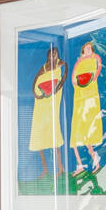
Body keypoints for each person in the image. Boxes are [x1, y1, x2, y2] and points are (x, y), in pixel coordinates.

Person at [67, 40, 106, 173]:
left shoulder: (96, 57)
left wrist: (93, 77)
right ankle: (80, 165)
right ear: (83, 50)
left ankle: (96, 162)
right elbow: (73, 77)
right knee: (76, 132)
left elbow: (98, 68)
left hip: (90, 96)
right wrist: (75, 83)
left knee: (87, 132)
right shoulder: (79, 61)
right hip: (79, 97)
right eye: (86, 48)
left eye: (90, 48)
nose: (88, 49)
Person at [28, 45, 65, 178]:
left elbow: (63, 77)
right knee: (40, 134)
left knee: (54, 133)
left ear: (58, 54)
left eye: (54, 53)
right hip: (41, 101)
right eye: (50, 54)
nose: (52, 56)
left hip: (53, 100)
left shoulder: (62, 64)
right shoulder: (43, 68)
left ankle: (60, 168)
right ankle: (45, 169)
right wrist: (36, 94)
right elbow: (34, 82)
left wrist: (57, 87)